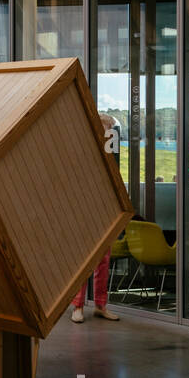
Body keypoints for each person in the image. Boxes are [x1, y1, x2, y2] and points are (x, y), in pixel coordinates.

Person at [71, 113, 120, 323]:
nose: (108, 132)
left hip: (105, 210)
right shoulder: (84, 150)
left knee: (103, 259)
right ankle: (78, 307)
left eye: (110, 129)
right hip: (85, 210)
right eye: (105, 128)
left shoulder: (111, 153)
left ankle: (101, 305)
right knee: (84, 260)